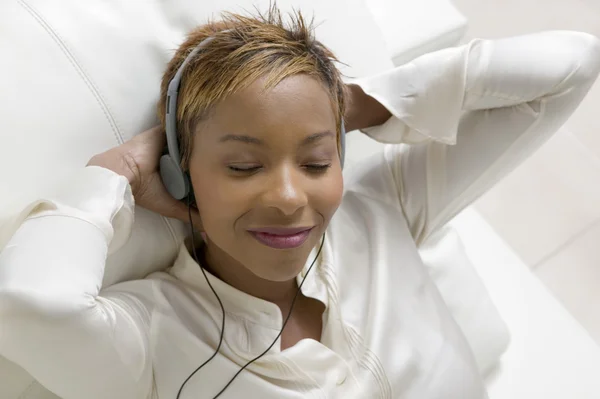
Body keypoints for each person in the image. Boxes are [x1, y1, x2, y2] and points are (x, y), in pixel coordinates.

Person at [1, 6, 599, 399]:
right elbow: (26, 305)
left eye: (315, 162)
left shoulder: (383, 207)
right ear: (181, 176)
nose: (289, 198)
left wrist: (352, 103)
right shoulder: (151, 332)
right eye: (243, 166)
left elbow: (572, 65)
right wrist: (119, 173)